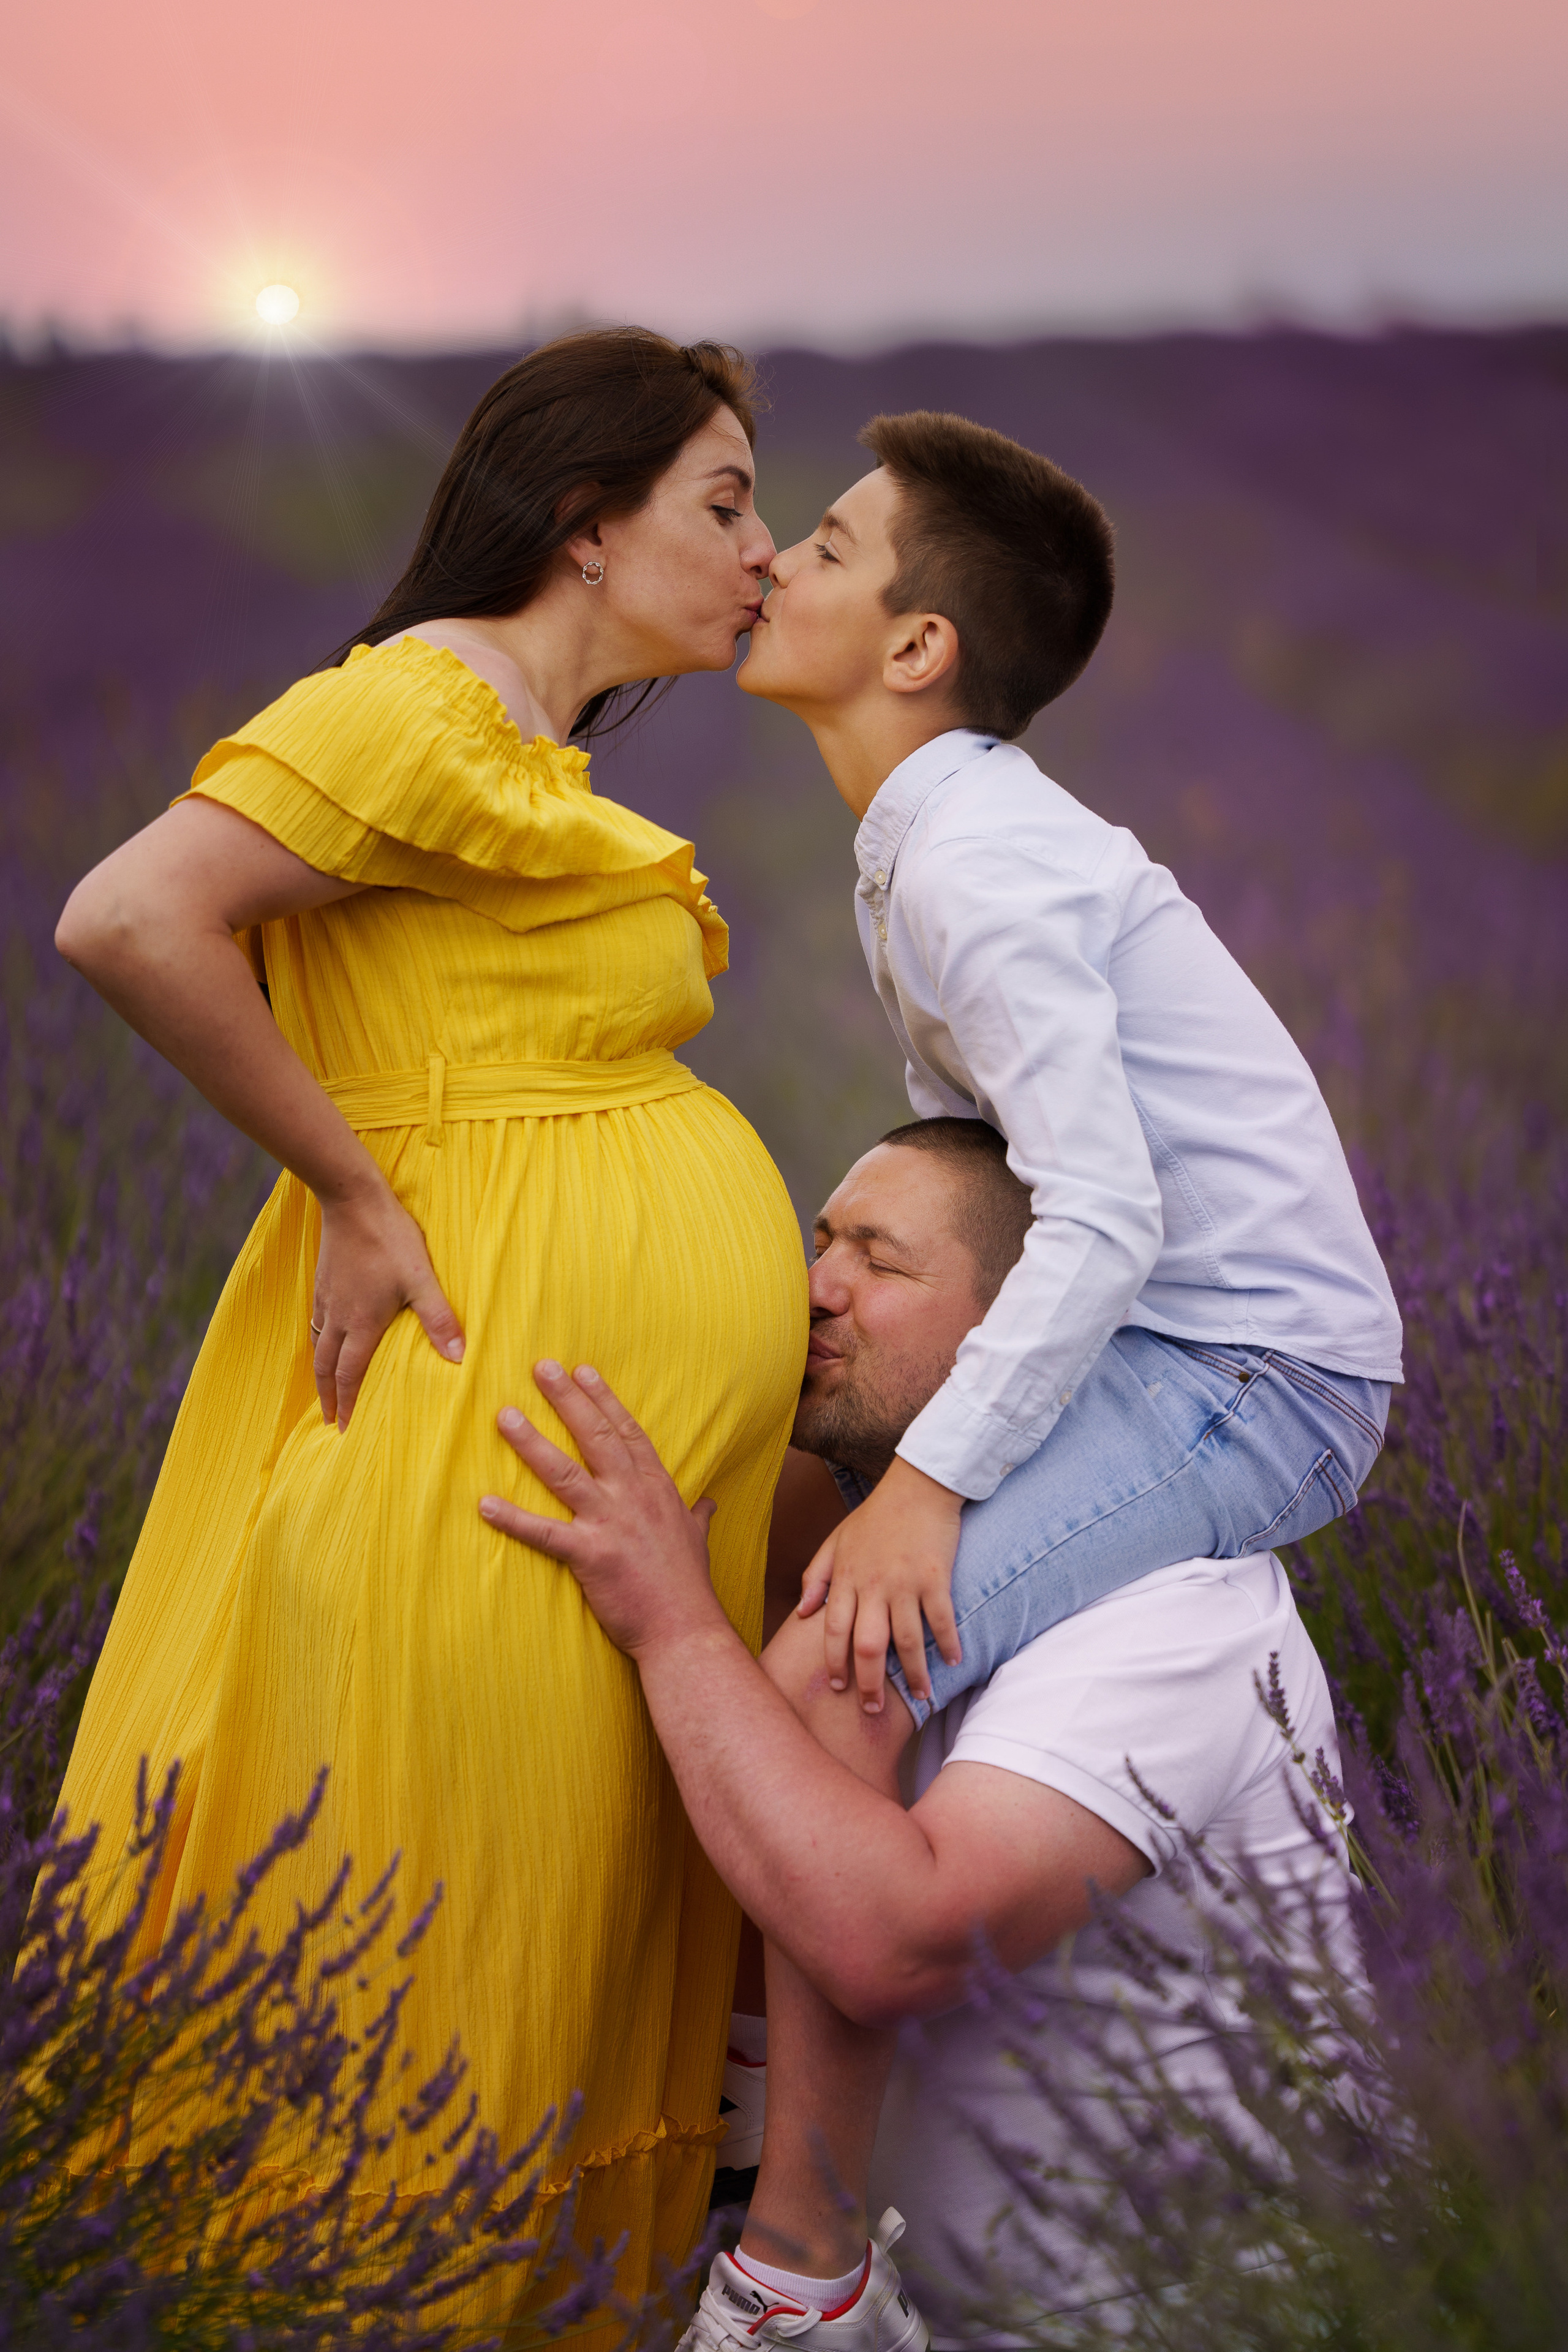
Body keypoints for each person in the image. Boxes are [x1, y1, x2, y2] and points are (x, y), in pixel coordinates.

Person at [51, 327, 808, 2321]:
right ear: (585, 523)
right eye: (723, 503)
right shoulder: (416, 699)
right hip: (475, 1429)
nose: (762, 551)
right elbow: (130, 916)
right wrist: (358, 1187)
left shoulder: (509, 744)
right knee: (460, 1919)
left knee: (558, 1936)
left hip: (575, 1444)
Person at [478, 1126, 1357, 2348]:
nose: (815, 1286)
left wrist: (678, 1634)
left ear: (1027, 1338)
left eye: (880, 1265)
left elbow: (897, 1942)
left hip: (1167, 2308)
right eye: (817, 1242)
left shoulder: (1174, 1615)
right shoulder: (838, 1531)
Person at [733, 406, 1403, 1732]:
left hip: (1255, 1378)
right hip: (1149, 1336)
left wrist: (922, 1490)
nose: (772, 565)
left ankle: (881, 1937)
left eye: (824, 547)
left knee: (830, 1677)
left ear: (918, 647)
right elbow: (999, 1184)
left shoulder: (980, 865)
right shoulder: (940, 836)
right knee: (752, 1534)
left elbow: (1100, 1212)